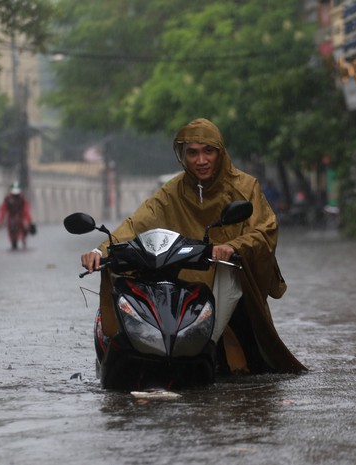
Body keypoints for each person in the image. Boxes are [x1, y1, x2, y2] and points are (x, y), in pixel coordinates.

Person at [81, 118, 306, 374]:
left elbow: (265, 229)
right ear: (182, 156)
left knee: (227, 273)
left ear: (220, 153)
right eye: (193, 153)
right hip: (181, 277)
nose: (201, 160)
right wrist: (100, 251)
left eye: (208, 151)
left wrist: (233, 246)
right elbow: (137, 223)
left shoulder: (245, 187)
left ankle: (205, 345)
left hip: (229, 277)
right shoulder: (173, 191)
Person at [0, 182, 33, 250]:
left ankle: (23, 239)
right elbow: (3, 209)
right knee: (11, 229)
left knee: (25, 227)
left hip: (21, 216)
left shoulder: (22, 198)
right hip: (11, 216)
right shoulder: (7, 198)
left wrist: (28, 220)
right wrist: (0, 220)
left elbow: (26, 209)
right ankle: (13, 241)